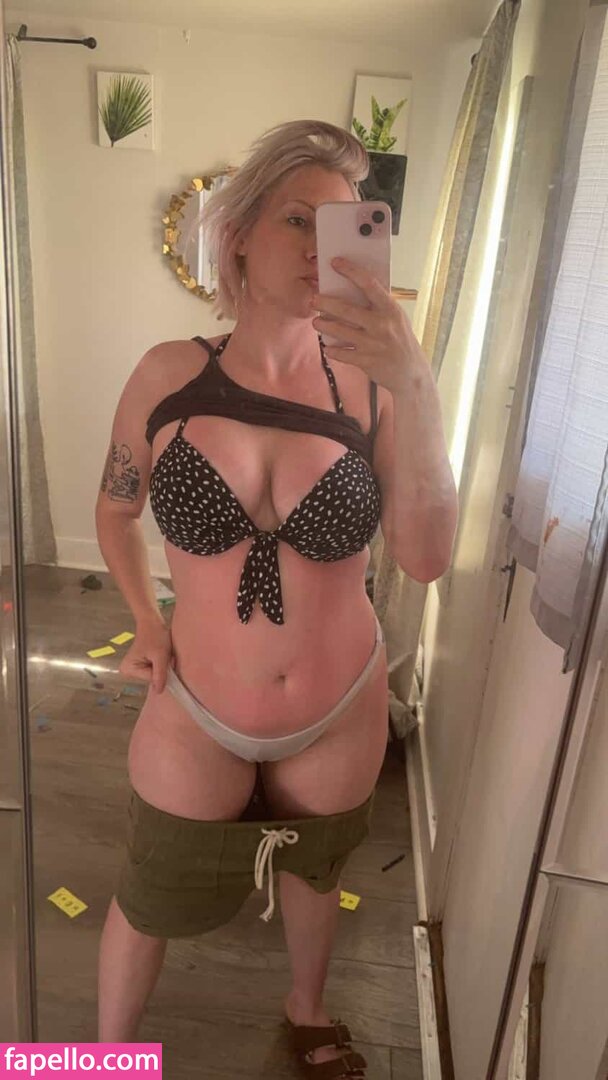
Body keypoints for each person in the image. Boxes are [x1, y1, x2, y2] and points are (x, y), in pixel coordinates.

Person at [95, 119, 457, 1077]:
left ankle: (307, 1006)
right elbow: (114, 509)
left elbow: (426, 559)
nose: (315, 250)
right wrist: (144, 621)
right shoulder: (167, 375)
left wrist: (418, 386)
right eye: (298, 220)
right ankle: (102, 1059)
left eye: (342, 229)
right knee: (149, 889)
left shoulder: (377, 393)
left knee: (316, 874)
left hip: (340, 707)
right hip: (195, 705)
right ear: (239, 235)